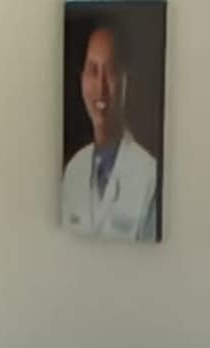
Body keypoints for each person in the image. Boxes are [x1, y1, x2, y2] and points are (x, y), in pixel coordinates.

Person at [59, 19, 160, 241]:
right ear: (82, 79)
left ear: (125, 80)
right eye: (92, 71)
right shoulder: (74, 171)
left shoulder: (149, 177)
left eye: (111, 71)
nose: (101, 87)